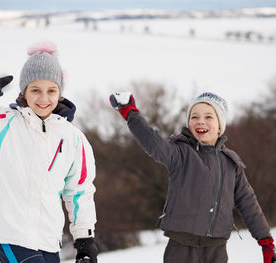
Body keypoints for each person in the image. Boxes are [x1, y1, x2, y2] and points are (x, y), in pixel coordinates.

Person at [0, 41, 97, 263]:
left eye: (51, 90)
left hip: (48, 239)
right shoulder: (0, 124)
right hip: (9, 233)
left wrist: (85, 241)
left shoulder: (73, 138)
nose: (44, 99)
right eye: (35, 90)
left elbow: (79, 191)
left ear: (60, 93)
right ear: (24, 91)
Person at [109, 91, 276, 263]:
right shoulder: (180, 153)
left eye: (209, 116)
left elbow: (248, 201)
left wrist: (265, 240)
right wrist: (131, 113)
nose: (200, 121)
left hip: (216, 247)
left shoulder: (231, 163)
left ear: (220, 126)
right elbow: (153, 143)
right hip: (182, 244)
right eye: (194, 116)